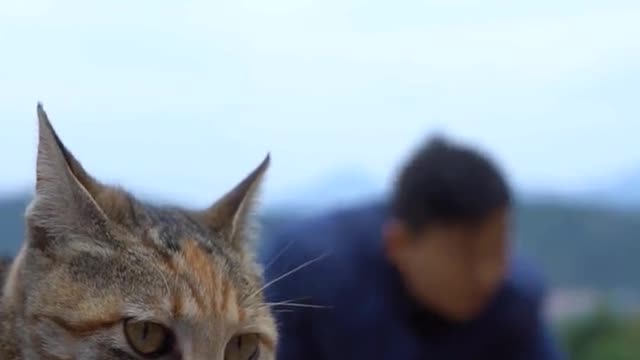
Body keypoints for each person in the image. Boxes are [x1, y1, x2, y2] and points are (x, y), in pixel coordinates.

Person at [258, 136, 564, 360]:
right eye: (463, 255)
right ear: (399, 244)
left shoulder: (513, 300)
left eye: (497, 249)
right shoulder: (307, 275)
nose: (488, 274)